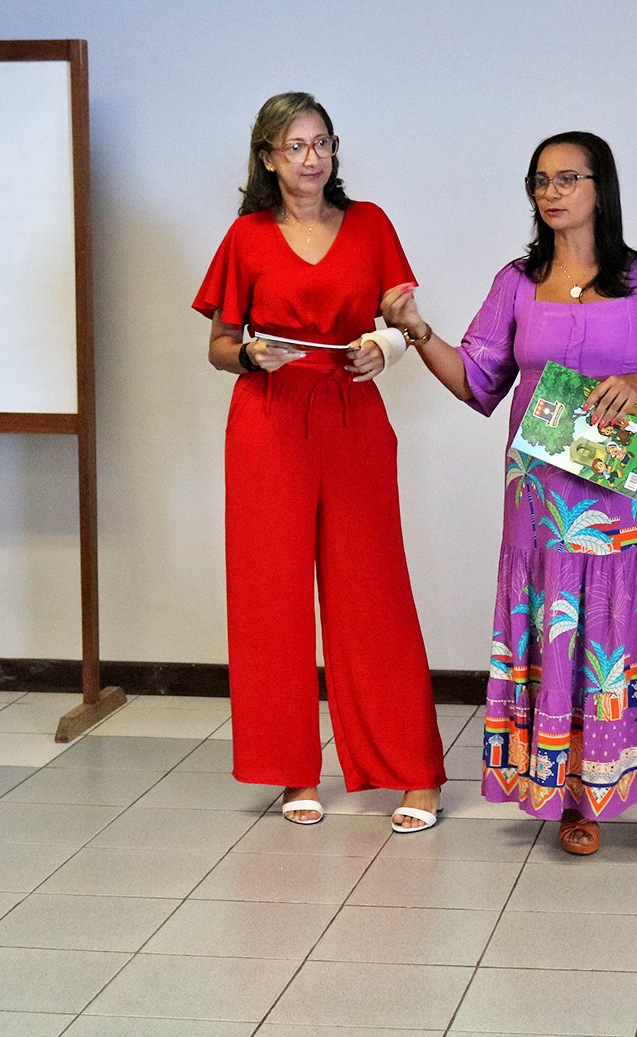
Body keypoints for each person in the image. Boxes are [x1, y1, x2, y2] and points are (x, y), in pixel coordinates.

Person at [381, 131, 637, 858]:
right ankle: (572, 794)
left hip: (627, 493)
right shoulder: (517, 282)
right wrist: (419, 331)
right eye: (539, 180)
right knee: (561, 631)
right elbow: (476, 381)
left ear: (600, 187)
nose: (550, 192)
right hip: (542, 501)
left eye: (566, 178)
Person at [192, 92, 445, 830]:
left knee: (374, 591)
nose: (313, 158)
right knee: (269, 596)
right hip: (268, 418)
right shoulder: (246, 236)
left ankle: (415, 773)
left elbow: (399, 318)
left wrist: (386, 347)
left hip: (350, 411)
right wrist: (249, 355)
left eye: (323, 143)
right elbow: (218, 346)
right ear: (267, 157)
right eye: (296, 146)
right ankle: (292, 771)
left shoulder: (370, 224)